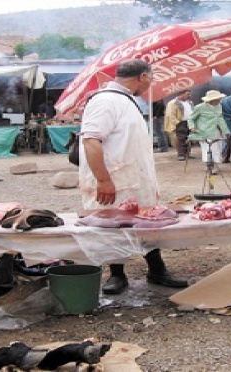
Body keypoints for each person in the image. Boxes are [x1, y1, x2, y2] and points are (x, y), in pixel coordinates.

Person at [80, 59, 187, 295]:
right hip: (115, 181)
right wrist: (103, 180)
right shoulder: (105, 100)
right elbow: (91, 141)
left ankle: (157, 270)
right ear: (143, 77)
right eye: (151, 80)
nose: (150, 85)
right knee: (113, 226)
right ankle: (117, 274)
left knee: (148, 222)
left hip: (135, 179)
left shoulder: (126, 100)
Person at [187, 90, 230, 172]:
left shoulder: (219, 106)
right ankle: (209, 165)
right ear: (210, 100)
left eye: (219, 99)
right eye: (217, 99)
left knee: (217, 149)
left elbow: (220, 119)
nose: (219, 101)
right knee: (207, 149)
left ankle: (215, 165)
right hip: (204, 131)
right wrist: (192, 127)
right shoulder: (199, 107)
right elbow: (191, 119)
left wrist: (226, 131)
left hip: (216, 131)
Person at [164, 90, 193, 161]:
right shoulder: (173, 103)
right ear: (181, 94)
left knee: (189, 138)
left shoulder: (190, 102)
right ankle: (181, 154)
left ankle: (187, 153)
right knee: (181, 139)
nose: (189, 96)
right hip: (180, 123)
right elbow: (170, 115)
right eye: (187, 94)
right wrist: (177, 123)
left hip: (189, 122)